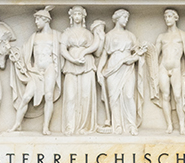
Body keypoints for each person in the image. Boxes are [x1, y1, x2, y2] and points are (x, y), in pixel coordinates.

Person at [100, 8, 145, 135]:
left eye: (127, 18)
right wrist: (99, 71)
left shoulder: (130, 35)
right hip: (113, 67)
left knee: (129, 95)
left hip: (127, 67)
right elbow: (104, 55)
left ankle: (131, 125)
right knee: (114, 98)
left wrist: (136, 56)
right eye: (124, 17)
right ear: (117, 18)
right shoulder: (109, 36)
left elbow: (138, 52)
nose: (126, 20)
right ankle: (117, 125)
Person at [150, 8, 185, 134]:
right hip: (163, 68)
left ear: (176, 18)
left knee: (178, 96)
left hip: (176, 68)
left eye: (169, 16)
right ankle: (169, 125)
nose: (167, 19)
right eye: (165, 17)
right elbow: (155, 55)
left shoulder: (183, 35)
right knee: (165, 96)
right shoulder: (161, 37)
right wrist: (146, 50)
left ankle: (182, 125)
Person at [59, 5, 103, 134]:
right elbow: (62, 50)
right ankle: (70, 126)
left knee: (85, 96)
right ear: (71, 16)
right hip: (71, 65)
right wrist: (73, 60)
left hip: (87, 65)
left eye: (79, 14)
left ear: (83, 16)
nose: (77, 16)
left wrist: (101, 39)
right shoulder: (66, 33)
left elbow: (97, 53)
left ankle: (85, 126)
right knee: (70, 96)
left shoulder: (88, 33)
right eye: (75, 14)